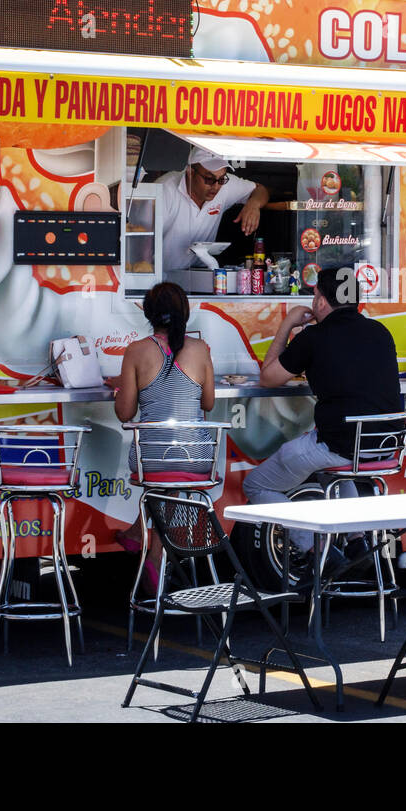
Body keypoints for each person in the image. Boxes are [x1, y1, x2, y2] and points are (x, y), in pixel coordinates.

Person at [245, 266, 402, 569]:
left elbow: (268, 377)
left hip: (339, 445)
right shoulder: (381, 332)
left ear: (320, 302)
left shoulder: (314, 337)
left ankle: (318, 549)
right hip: (384, 447)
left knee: (256, 485)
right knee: (336, 466)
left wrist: (288, 324)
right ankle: (357, 542)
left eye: (315, 295)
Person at [111, 282, 216, 587]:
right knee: (171, 471)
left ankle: (154, 554)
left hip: (151, 459)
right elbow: (208, 403)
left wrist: (119, 386)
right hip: (198, 457)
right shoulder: (201, 349)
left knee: (163, 467)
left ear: (148, 313)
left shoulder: (136, 351)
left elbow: (124, 413)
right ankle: (137, 535)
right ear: (185, 312)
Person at [159, 146, 269, 270]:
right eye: (209, 179)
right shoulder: (164, 190)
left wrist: (254, 204)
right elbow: (142, 240)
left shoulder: (224, 185)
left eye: (221, 179)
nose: (216, 186)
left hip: (199, 271)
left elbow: (260, 189)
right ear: (190, 172)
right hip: (162, 274)